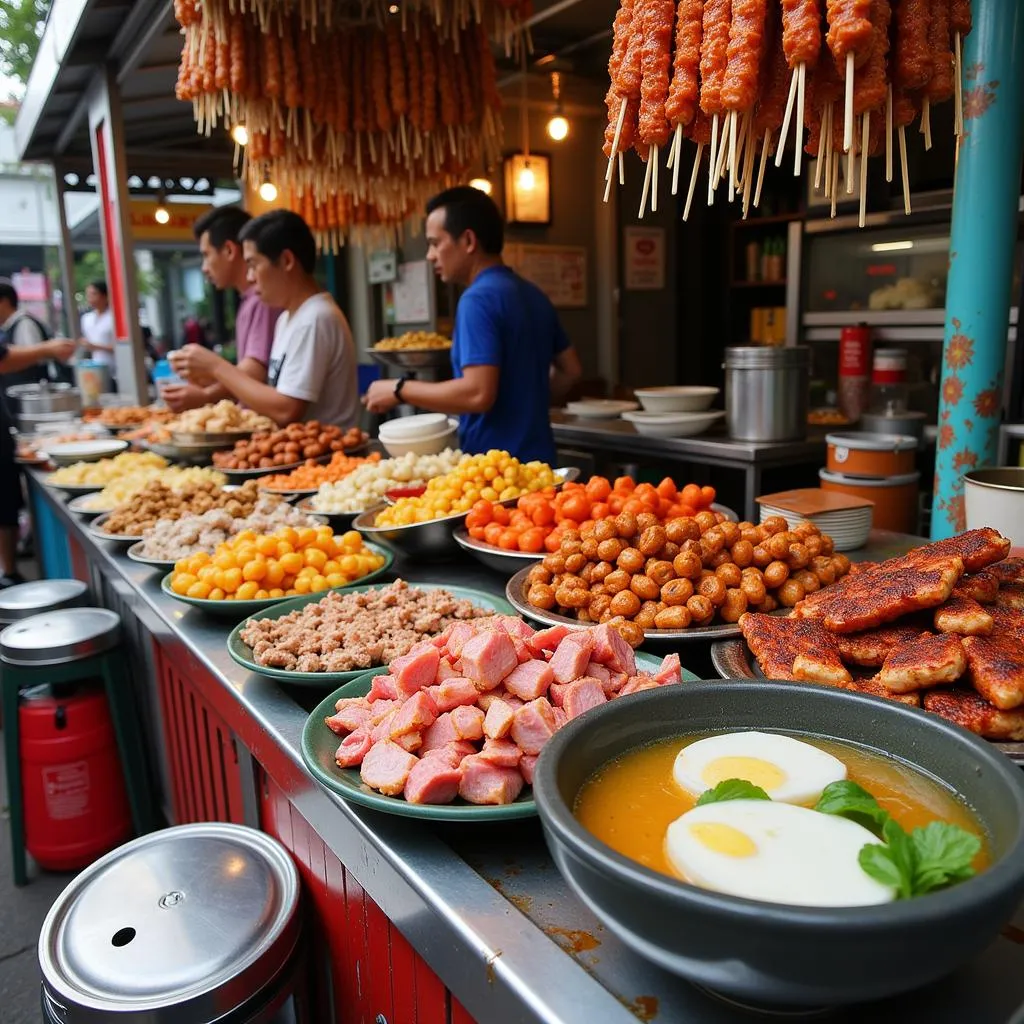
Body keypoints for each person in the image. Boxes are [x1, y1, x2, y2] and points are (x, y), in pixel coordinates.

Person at [364, 186, 582, 463]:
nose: (430, 255)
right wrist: (525, 402)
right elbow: (571, 370)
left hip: (497, 474)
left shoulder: (477, 300)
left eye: (435, 243)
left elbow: (478, 393)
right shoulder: (533, 293)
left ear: (468, 240)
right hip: (541, 462)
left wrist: (399, 389)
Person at [169, 209, 359, 428]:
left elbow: (286, 409)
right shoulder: (288, 318)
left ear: (287, 260)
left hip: (328, 458)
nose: (250, 276)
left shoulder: (315, 318)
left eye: (253, 264)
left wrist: (216, 368)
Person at [162, 206, 281, 412]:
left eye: (207, 255)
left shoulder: (262, 299)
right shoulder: (249, 299)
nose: (204, 267)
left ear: (229, 250)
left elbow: (254, 372)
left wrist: (206, 395)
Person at [0, 280, 76, 585]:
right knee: (4, 500)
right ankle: (8, 572)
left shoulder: (23, 324)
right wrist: (48, 348)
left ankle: (8, 569)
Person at [79, 280, 116, 372]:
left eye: (94, 294)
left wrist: (97, 346)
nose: (90, 298)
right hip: (97, 369)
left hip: (115, 367)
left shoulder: (114, 317)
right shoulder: (86, 319)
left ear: (105, 296)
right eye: (88, 295)